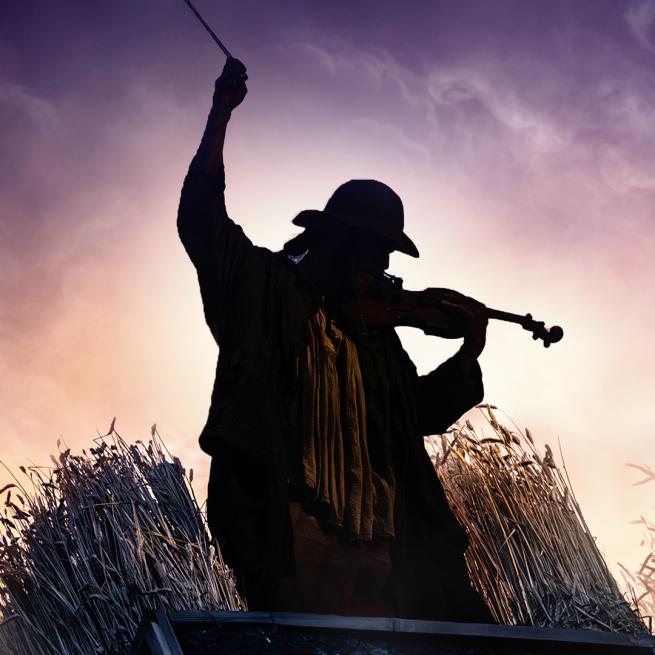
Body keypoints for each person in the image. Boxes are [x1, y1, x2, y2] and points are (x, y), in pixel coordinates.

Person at [177, 58, 494, 622]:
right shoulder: (267, 292)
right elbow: (203, 221)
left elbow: (413, 413)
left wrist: (468, 352)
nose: (381, 270)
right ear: (338, 242)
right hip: (294, 532)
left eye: (387, 258)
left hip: (387, 547)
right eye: (373, 253)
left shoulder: (376, 339)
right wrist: (220, 113)